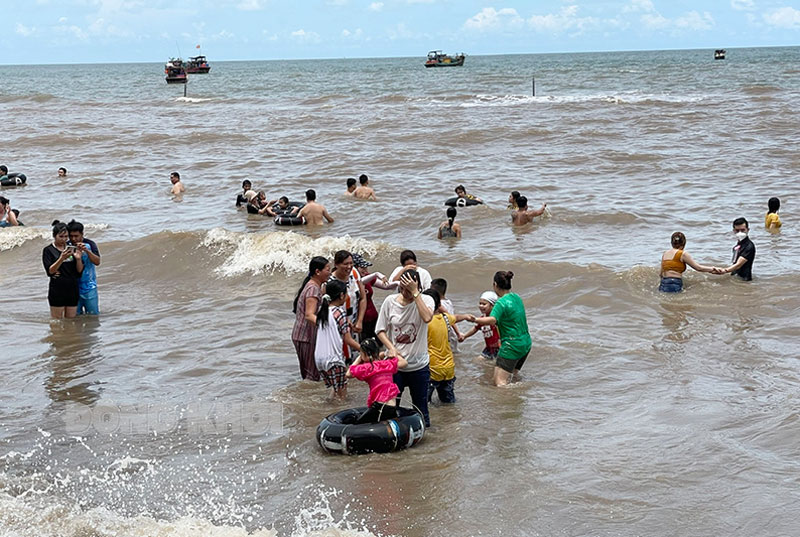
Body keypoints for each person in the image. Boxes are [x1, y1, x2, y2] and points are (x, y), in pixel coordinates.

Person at [376, 269, 435, 426]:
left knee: (421, 409)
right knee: (391, 408)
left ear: (417, 288)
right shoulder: (390, 301)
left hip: (419, 366)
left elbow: (427, 317)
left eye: (408, 290)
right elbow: (380, 330)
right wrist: (391, 347)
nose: (405, 293)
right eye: (402, 289)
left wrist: (415, 293)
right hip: (396, 366)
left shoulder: (426, 300)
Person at [472, 271, 531, 387]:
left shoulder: (500, 303)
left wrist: (474, 319)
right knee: (513, 376)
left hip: (511, 345)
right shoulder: (516, 297)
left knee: (499, 382)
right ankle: (518, 399)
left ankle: (506, 404)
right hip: (526, 343)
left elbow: (492, 320)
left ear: (495, 284)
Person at [315, 279, 361, 401]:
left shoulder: (322, 311)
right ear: (341, 295)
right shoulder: (340, 312)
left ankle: (326, 410)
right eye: (346, 294)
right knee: (341, 396)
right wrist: (365, 349)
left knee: (335, 391)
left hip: (319, 359)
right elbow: (348, 339)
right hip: (333, 359)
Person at [424, 289, 471, 404]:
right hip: (448, 368)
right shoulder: (445, 318)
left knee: (424, 402)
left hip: (433, 369)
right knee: (448, 403)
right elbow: (456, 317)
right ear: (439, 304)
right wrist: (466, 316)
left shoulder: (425, 322)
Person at [347, 337, 408, 424]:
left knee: (356, 424)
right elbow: (404, 363)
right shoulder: (387, 364)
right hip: (392, 407)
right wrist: (392, 353)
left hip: (379, 407)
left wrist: (359, 359)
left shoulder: (367, 368)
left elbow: (348, 374)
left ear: (364, 354)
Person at [291, 256, 331, 381]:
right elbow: (309, 315)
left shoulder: (314, 286)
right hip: (306, 336)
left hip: (303, 335)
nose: (330, 272)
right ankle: (309, 399)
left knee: (311, 372)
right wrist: (329, 328)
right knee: (311, 374)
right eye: (327, 269)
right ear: (317, 272)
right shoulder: (313, 288)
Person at [329, 250, 367, 362]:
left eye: (351, 263)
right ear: (336, 264)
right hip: (338, 326)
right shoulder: (330, 282)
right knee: (342, 356)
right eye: (345, 264)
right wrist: (345, 321)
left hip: (354, 325)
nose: (349, 267)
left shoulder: (354, 274)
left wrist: (360, 320)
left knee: (356, 358)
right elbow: (328, 307)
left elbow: (363, 298)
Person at [42, 220, 84, 319]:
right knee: (57, 321)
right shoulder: (48, 250)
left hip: (72, 288)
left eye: (66, 237)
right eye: (61, 237)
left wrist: (78, 259)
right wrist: (61, 258)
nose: (64, 239)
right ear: (54, 236)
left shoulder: (72, 248)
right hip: (57, 289)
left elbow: (79, 272)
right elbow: (50, 271)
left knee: (71, 320)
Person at [353, 253, 397, 340]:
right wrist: (376, 274)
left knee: (379, 344)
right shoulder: (351, 282)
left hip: (373, 317)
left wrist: (397, 283)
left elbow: (386, 286)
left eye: (366, 267)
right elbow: (359, 282)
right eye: (362, 268)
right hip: (360, 321)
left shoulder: (368, 277)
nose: (365, 270)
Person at [67, 220, 101, 315]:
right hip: (73, 287)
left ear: (82, 234)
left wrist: (87, 251)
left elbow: (97, 262)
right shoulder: (67, 246)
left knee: (93, 315)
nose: (74, 239)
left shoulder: (90, 244)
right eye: (71, 236)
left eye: (76, 236)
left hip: (89, 286)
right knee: (75, 317)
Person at [461, 291, 501, 361]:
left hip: (499, 348)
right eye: (480, 303)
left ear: (492, 305)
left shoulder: (495, 318)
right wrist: (465, 336)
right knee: (476, 361)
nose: (481, 306)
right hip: (488, 348)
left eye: (484, 304)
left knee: (496, 366)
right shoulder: (482, 319)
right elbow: (475, 329)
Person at [430, 278, 462, 354]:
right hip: (451, 335)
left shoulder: (439, 305)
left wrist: (458, 333)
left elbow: (450, 318)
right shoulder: (448, 302)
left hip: (448, 336)